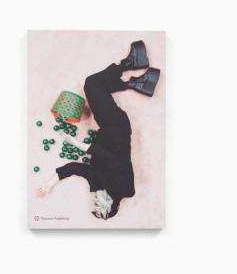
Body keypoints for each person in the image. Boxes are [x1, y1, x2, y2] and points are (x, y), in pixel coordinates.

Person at [36, 41, 161, 219]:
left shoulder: (97, 184)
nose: (94, 200)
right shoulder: (126, 189)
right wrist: (75, 143)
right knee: (92, 83)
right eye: (97, 204)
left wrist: (49, 185)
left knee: (99, 87)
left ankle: (138, 83)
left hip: (105, 128)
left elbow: (75, 168)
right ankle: (129, 64)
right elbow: (108, 156)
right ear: (108, 204)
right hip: (116, 126)